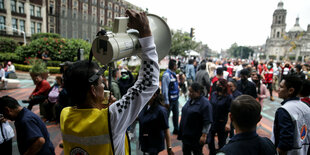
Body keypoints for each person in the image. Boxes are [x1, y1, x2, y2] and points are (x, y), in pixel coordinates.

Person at [60, 10, 159, 155]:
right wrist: (145, 32)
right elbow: (148, 83)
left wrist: (98, 108)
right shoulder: (112, 117)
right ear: (93, 91)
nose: (104, 85)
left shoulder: (65, 115)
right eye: (101, 82)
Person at [272, 75, 310, 155]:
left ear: (291, 90)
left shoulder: (284, 110)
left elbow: (284, 143)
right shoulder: (306, 107)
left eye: (281, 87)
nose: (278, 89)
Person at [178, 82, 213, 155]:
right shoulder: (191, 100)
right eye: (189, 91)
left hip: (196, 136)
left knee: (197, 152)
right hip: (187, 134)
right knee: (185, 151)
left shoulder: (205, 103)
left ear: (198, 92)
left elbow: (207, 121)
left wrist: (204, 135)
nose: (189, 93)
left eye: (191, 92)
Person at [138, 89, 174, 155]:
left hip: (154, 145)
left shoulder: (161, 111)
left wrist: (169, 148)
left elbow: (166, 129)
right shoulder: (145, 106)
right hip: (144, 142)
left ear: (154, 95)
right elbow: (140, 118)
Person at [208, 78, 232, 155]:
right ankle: (212, 152)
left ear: (224, 86)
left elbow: (230, 111)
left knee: (222, 142)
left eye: (219, 85)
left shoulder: (228, 97)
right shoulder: (213, 94)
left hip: (222, 122)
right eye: (217, 85)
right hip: (213, 121)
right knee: (210, 140)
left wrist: (228, 123)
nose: (217, 86)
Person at [162, 59, 180, 135]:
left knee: (176, 115)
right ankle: (164, 132)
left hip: (175, 99)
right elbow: (165, 89)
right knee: (166, 116)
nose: (177, 67)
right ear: (173, 66)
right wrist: (166, 101)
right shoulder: (166, 75)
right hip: (169, 100)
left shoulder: (173, 74)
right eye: (176, 65)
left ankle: (176, 129)